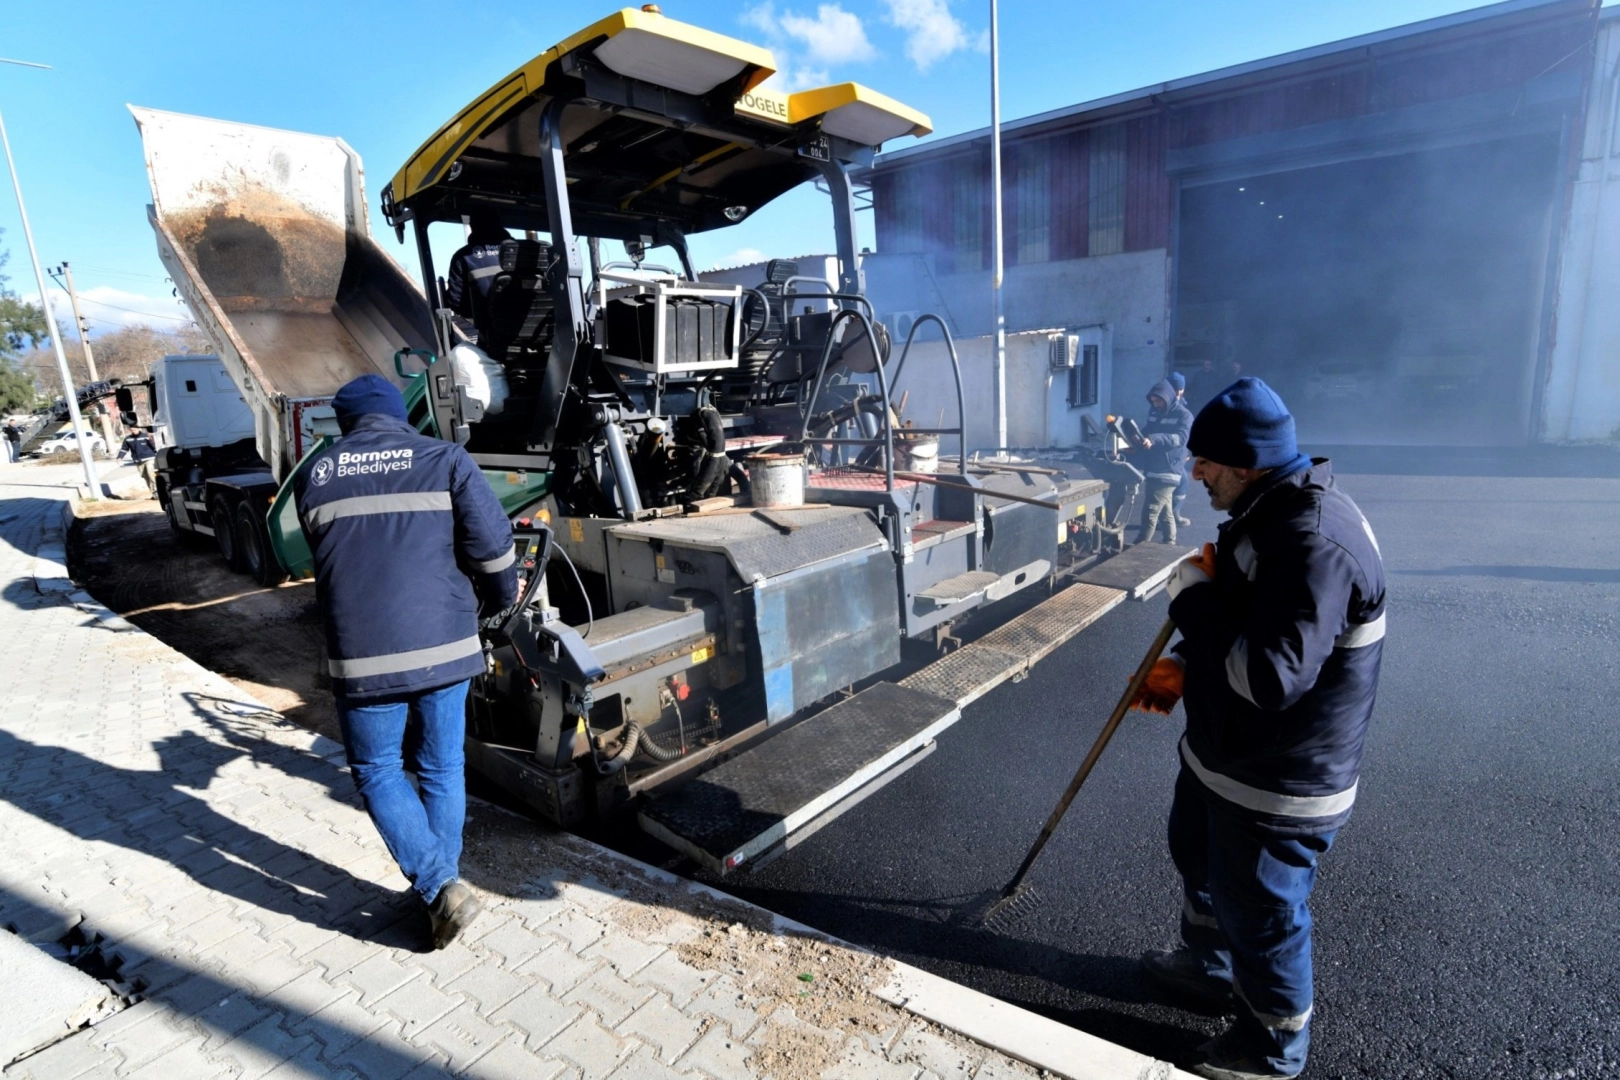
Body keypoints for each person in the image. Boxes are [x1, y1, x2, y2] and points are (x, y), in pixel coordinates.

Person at [1129, 377, 1386, 1080]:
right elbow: (1246, 619)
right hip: (1226, 759)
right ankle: (1210, 970)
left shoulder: (1312, 543)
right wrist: (1179, 668)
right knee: (1202, 860)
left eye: (1205, 461)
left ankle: (1268, 1047)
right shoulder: (1269, 511)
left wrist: (1195, 604)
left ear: (1246, 465)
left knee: (1263, 911)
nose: (1194, 473)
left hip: (1278, 778)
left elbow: (1271, 679)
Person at [294, 374, 518, 949]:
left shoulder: (316, 474)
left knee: (378, 771)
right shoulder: (445, 457)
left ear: (345, 423)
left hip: (362, 657)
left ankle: (440, 888)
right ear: (400, 414)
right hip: (445, 645)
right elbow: (493, 551)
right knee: (442, 768)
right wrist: (497, 605)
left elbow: (329, 557)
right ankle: (442, 886)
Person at [1129, 378, 1193, 545]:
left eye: (1158, 401)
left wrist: (1153, 439)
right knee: (1166, 512)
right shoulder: (1156, 413)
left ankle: (1138, 548)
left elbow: (1180, 438)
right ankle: (1169, 544)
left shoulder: (1184, 415)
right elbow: (1148, 430)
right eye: (1153, 401)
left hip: (1169, 470)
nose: (1155, 404)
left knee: (1150, 512)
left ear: (1168, 397)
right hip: (1154, 468)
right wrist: (1137, 437)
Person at [443, 209, 511, 339]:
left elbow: (455, 302)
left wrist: (479, 314)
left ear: (473, 226)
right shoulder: (526, 251)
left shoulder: (463, 256)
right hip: (541, 333)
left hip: (494, 338)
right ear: (499, 224)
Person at [1168, 372, 1192, 528]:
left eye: (1180, 388)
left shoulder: (1182, 405)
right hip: (1169, 454)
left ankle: (1172, 514)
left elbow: (1186, 432)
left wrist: (1187, 451)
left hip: (1178, 453)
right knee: (1180, 481)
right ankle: (1171, 516)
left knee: (1181, 482)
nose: (1178, 392)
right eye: (1176, 388)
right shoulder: (1163, 405)